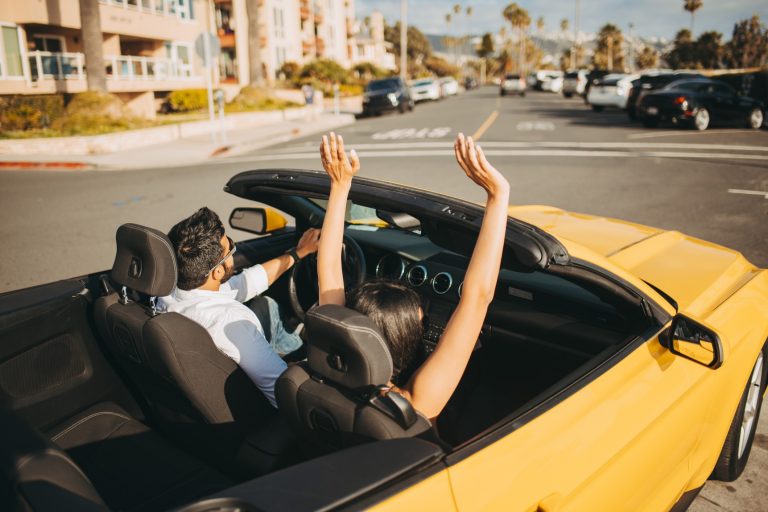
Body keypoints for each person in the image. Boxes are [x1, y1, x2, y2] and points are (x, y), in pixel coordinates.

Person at [317, 132, 510, 419]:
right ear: (404, 338)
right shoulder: (416, 401)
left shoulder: (330, 361)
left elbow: (330, 269)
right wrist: (498, 195)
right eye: (419, 318)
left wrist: (340, 184)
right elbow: (478, 296)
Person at [157, 207, 321, 408]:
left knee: (266, 305)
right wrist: (306, 367)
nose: (234, 250)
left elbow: (244, 283)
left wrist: (299, 253)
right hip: (259, 404)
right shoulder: (231, 320)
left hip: (213, 375)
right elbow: (283, 393)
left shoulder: (168, 292)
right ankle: (305, 352)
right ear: (217, 272)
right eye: (231, 247)